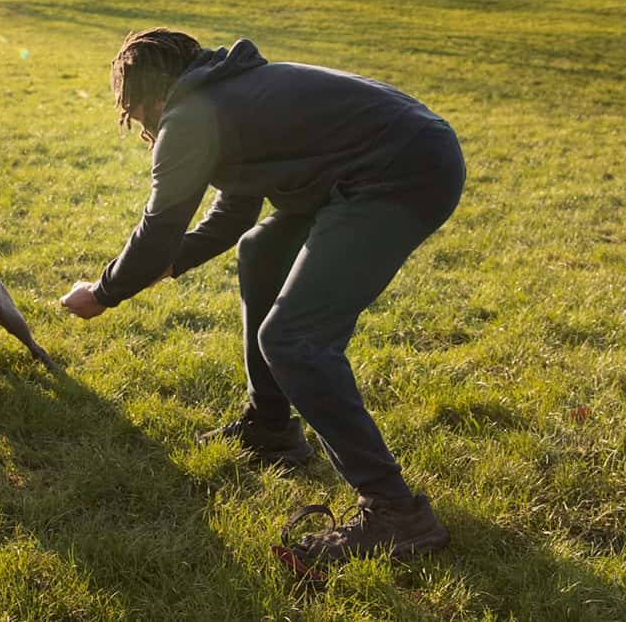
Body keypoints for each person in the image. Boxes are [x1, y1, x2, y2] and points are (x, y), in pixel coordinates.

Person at [60, 28, 464, 563]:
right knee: (260, 250)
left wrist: (104, 292)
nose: (140, 127)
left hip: (398, 173)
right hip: (406, 154)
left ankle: (396, 512)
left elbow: (158, 227)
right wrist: (169, 266)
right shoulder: (228, 97)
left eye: (134, 114)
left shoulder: (190, 117)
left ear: (150, 95)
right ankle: (272, 427)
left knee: (295, 339)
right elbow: (231, 218)